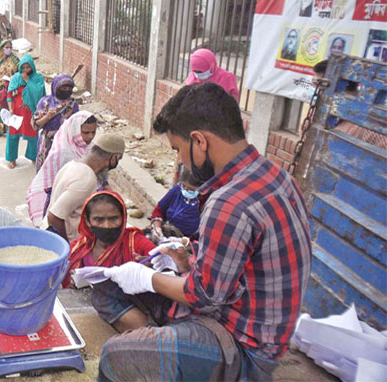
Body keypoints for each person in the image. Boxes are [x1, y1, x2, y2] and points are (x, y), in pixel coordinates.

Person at [94, 82, 312, 381]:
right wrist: (186, 260)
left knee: (116, 355)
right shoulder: (275, 175)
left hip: (245, 347)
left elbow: (205, 296)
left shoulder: (229, 201)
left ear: (199, 141)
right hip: (246, 318)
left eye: (179, 150)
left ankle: (171, 352)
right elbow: (241, 267)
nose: (180, 161)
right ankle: (170, 351)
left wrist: (146, 277)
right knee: (106, 287)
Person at [63, 191, 156, 287]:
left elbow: (163, 264)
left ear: (123, 218)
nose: (107, 226)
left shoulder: (136, 243)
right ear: (87, 221)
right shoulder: (77, 250)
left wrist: (152, 269)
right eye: (99, 220)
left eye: (114, 219)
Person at [44, 134, 125, 243]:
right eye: (118, 159)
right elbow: (54, 217)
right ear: (114, 157)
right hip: (64, 241)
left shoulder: (74, 164)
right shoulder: (86, 179)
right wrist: (68, 249)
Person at [27, 111, 97, 225]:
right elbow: (49, 185)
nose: (90, 136)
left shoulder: (91, 148)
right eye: (86, 132)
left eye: (93, 132)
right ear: (75, 130)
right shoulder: (62, 152)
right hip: (62, 203)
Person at [312, 60, 387, 149]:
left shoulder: (370, 126)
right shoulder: (319, 114)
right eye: (315, 84)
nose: (318, 91)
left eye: (319, 85)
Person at [5, 54, 46, 168]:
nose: (26, 70)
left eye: (28, 67)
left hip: (30, 113)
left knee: (33, 136)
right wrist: (11, 108)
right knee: (12, 136)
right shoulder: (15, 78)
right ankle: (11, 158)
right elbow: (9, 95)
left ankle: (33, 156)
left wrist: (29, 82)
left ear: (32, 67)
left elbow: (41, 94)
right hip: (17, 113)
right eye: (23, 68)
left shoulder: (38, 79)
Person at [33, 73, 78, 171]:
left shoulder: (73, 105)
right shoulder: (45, 102)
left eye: (68, 88)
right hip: (48, 142)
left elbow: (77, 125)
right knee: (46, 170)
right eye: (63, 88)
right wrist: (47, 117)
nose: (66, 91)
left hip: (65, 143)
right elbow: (36, 125)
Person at [149, 169, 202, 243]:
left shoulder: (204, 202)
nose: (185, 189)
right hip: (166, 234)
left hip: (189, 244)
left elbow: (205, 237)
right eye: (184, 186)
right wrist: (157, 227)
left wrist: (184, 241)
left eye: (191, 189)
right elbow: (159, 210)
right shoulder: (177, 190)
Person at [0, 40, 19, 137]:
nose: (9, 49)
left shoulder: (15, 60)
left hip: (10, 86)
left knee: (7, 107)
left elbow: (19, 71)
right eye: (6, 47)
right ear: (2, 48)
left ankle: (5, 128)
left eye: (10, 47)